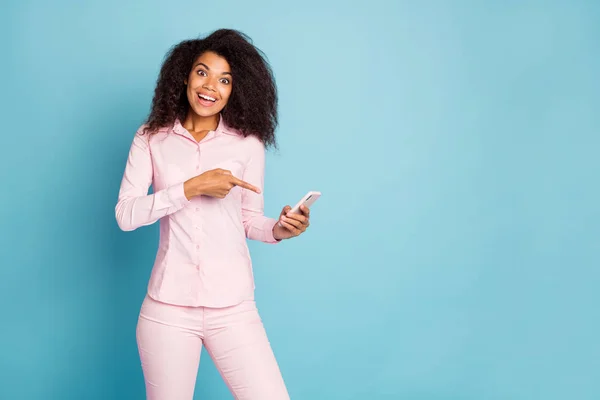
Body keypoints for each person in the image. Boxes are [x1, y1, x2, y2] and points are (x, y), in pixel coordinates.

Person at [115, 29, 311, 400]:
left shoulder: (247, 144)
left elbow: (250, 220)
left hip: (233, 309)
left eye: (225, 80)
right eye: (202, 72)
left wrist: (282, 229)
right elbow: (126, 214)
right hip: (167, 310)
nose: (211, 87)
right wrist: (190, 188)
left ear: (237, 90)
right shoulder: (150, 137)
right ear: (185, 75)